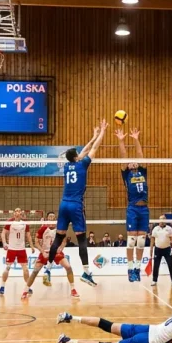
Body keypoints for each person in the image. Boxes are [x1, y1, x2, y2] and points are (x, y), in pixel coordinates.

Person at [48, 119, 108, 288]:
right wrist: (102, 132)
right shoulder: (83, 165)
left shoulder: (67, 167)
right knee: (82, 238)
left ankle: (48, 268)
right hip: (75, 205)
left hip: (63, 205)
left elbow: (82, 152)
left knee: (58, 238)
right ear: (77, 157)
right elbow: (94, 148)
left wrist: (93, 135)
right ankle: (87, 272)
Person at [117, 127, 149, 282]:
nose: (133, 162)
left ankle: (137, 268)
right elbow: (124, 157)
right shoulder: (126, 173)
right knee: (131, 240)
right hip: (133, 208)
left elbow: (140, 155)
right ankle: (130, 269)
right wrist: (121, 140)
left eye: (134, 162)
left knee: (142, 241)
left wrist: (136, 139)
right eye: (130, 162)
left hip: (144, 209)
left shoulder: (142, 172)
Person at [26, 212, 78, 297]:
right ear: (47, 218)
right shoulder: (43, 229)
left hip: (56, 252)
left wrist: (60, 248)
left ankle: (73, 289)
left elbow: (64, 241)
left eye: (53, 217)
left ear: (55, 219)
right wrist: (42, 252)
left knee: (68, 267)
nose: (51, 218)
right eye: (50, 216)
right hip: (45, 252)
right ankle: (25, 290)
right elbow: (36, 242)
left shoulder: (60, 228)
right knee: (35, 271)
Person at [0, 208, 36, 299]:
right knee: (7, 268)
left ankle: (27, 287)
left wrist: (31, 246)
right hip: (11, 249)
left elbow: (28, 235)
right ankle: (2, 286)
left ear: (21, 213)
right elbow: (3, 233)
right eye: (16, 211)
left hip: (21, 249)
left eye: (19, 211)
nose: (17, 212)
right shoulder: (10, 222)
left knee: (26, 269)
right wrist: (4, 243)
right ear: (14, 214)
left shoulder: (24, 223)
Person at [148, 217, 172, 287]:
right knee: (156, 265)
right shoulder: (155, 229)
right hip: (158, 249)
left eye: (163, 219)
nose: (162, 220)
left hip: (167, 249)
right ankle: (154, 280)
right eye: (160, 219)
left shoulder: (169, 228)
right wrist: (151, 249)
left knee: (171, 264)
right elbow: (152, 239)